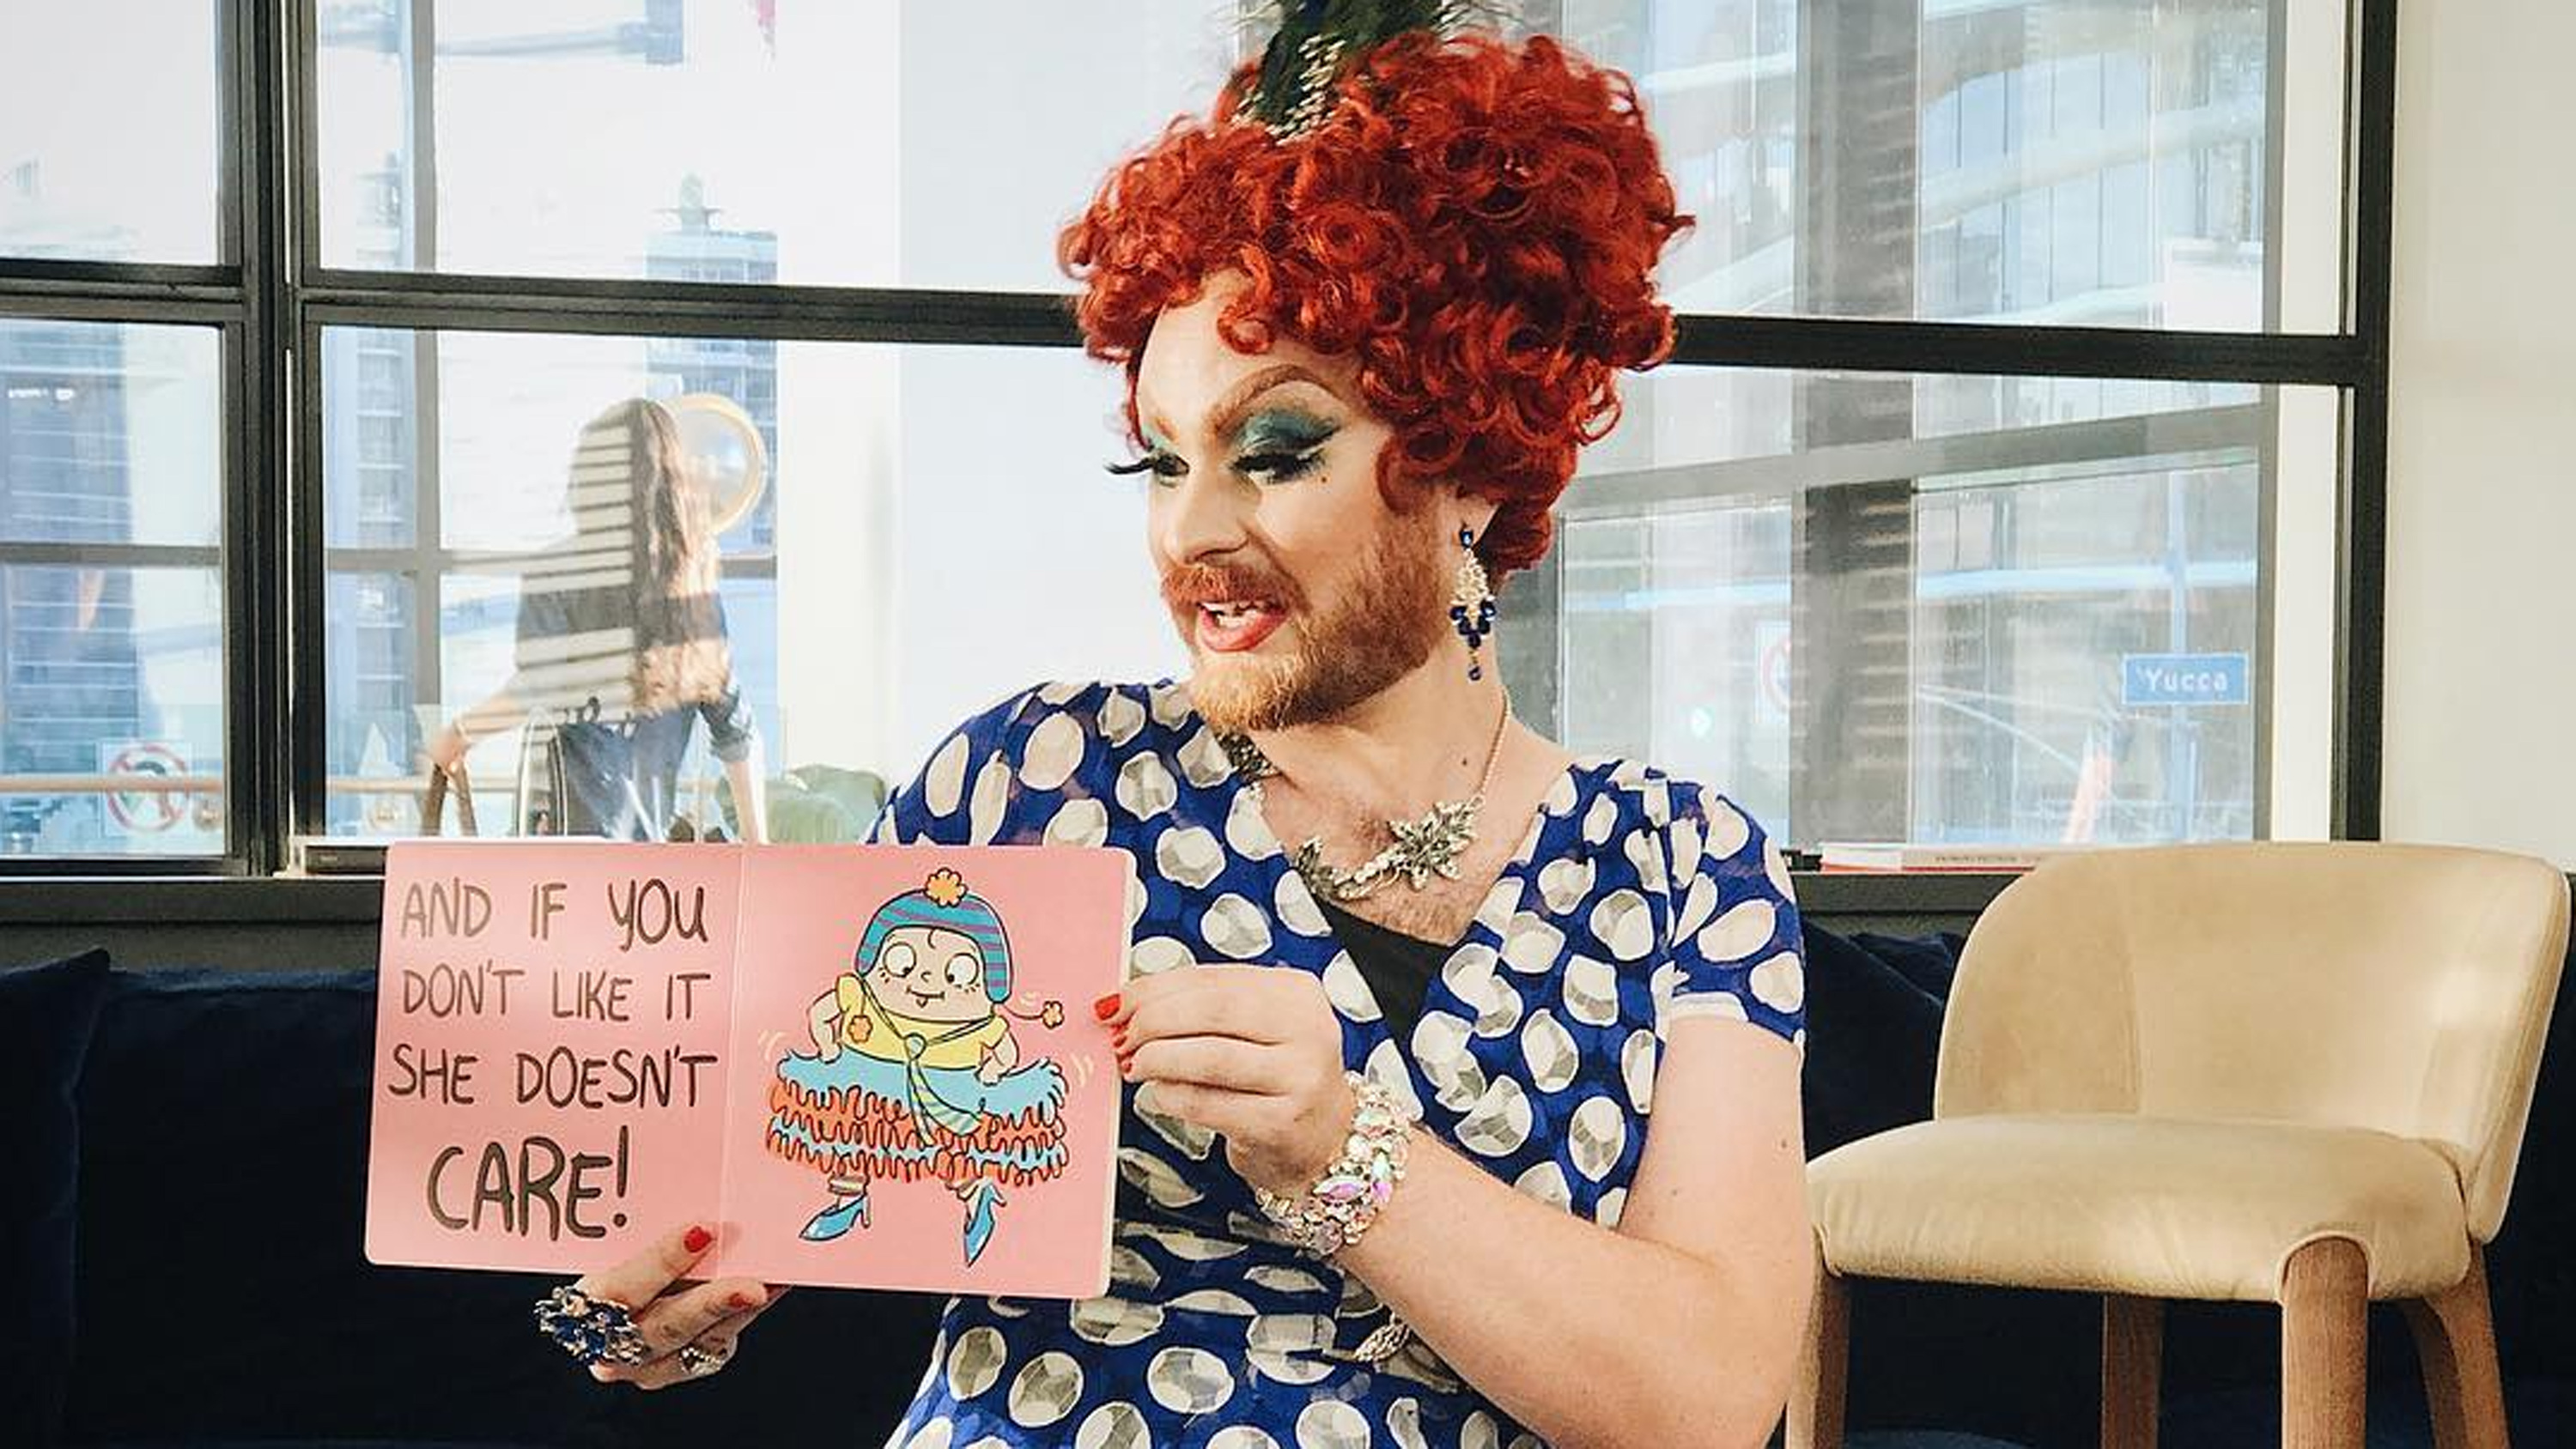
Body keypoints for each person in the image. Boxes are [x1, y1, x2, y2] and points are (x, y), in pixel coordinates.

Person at [529, 15, 1809, 1445]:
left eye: (1274, 451)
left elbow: (1710, 1398)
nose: (1190, 531)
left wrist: (1339, 1150)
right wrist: (644, 1311)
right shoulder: (1028, 783)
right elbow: (758, 1184)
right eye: (1158, 459)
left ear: (1472, 460)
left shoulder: (1685, 870)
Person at [428, 397, 770, 844]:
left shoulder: (559, 573)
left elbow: (534, 686)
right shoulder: (692, 595)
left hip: (562, 855)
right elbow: (736, 730)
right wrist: (758, 847)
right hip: (648, 867)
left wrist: (459, 735)